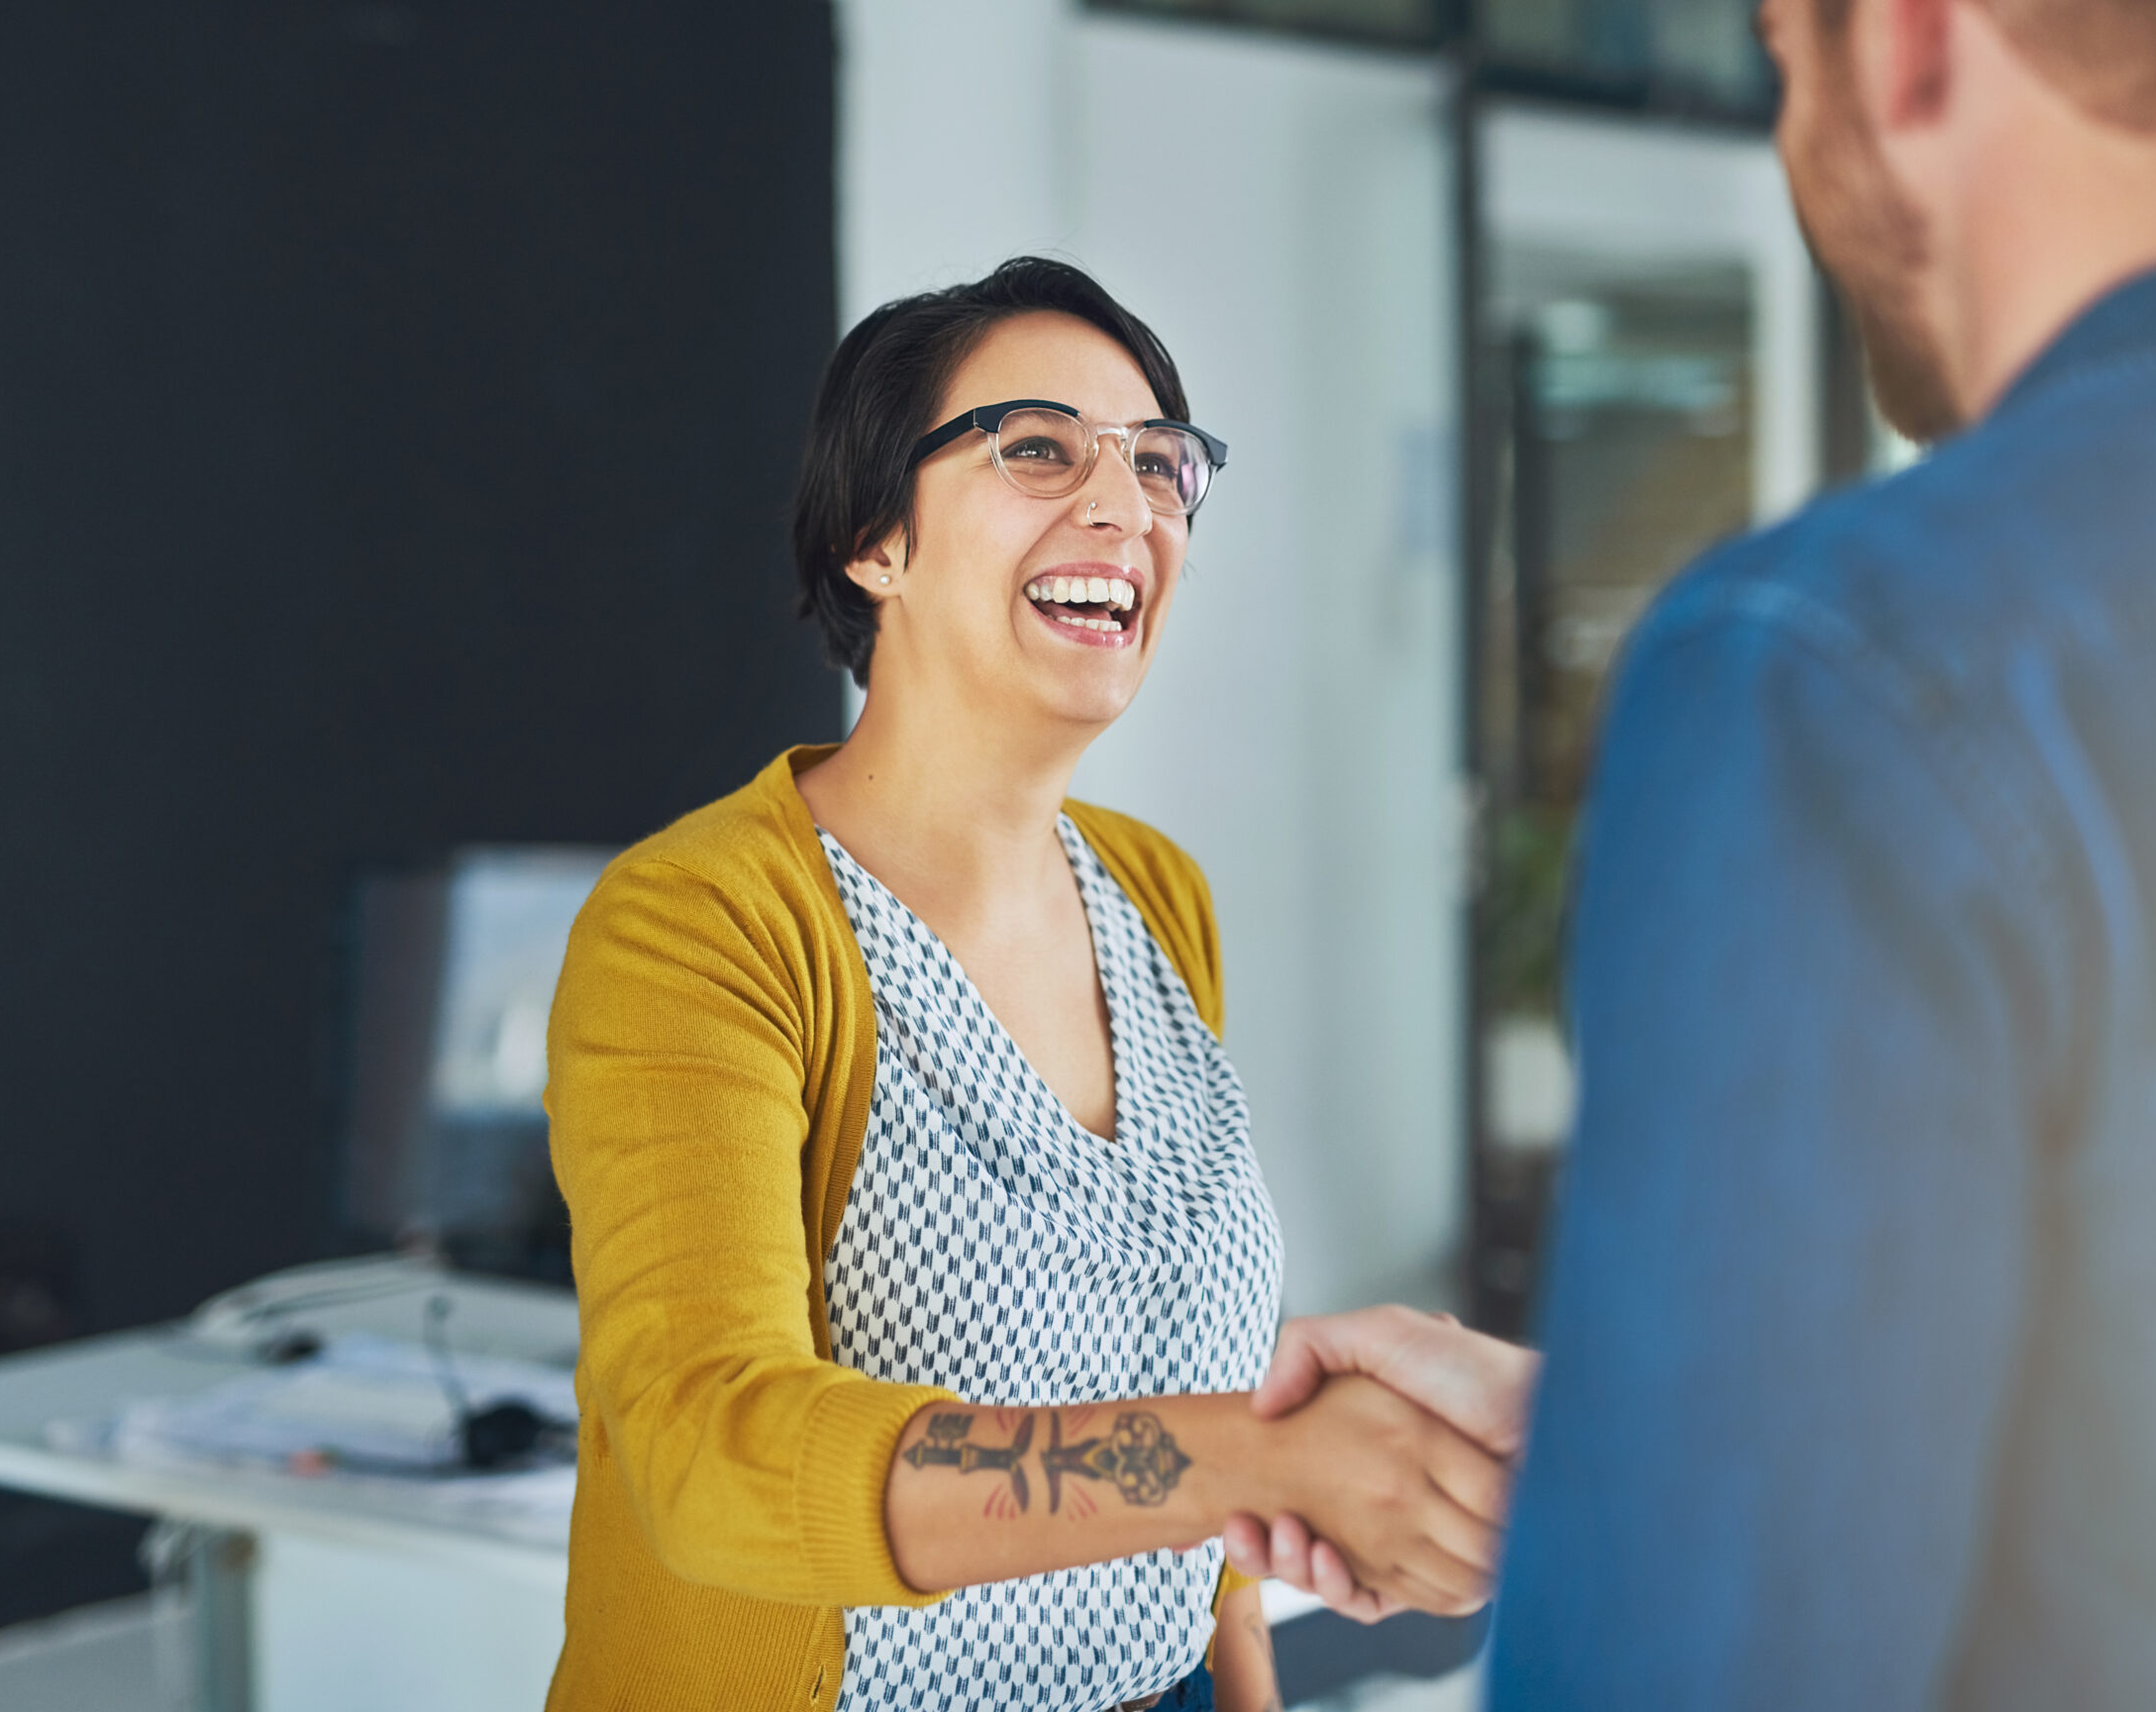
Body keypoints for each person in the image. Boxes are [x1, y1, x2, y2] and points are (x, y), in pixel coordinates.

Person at [1253, 0, 2156, 1705]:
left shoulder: (1833, 670)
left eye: (1784, 66)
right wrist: (1645, 1448)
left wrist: (1670, 1534)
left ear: (1910, 47)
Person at [540, 256, 1505, 1712]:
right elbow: (708, 1451)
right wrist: (1243, 1449)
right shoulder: (700, 926)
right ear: (877, 538)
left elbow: (1191, 1372)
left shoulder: (1155, 895)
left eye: (1163, 466)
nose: (1126, 507)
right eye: (1040, 447)